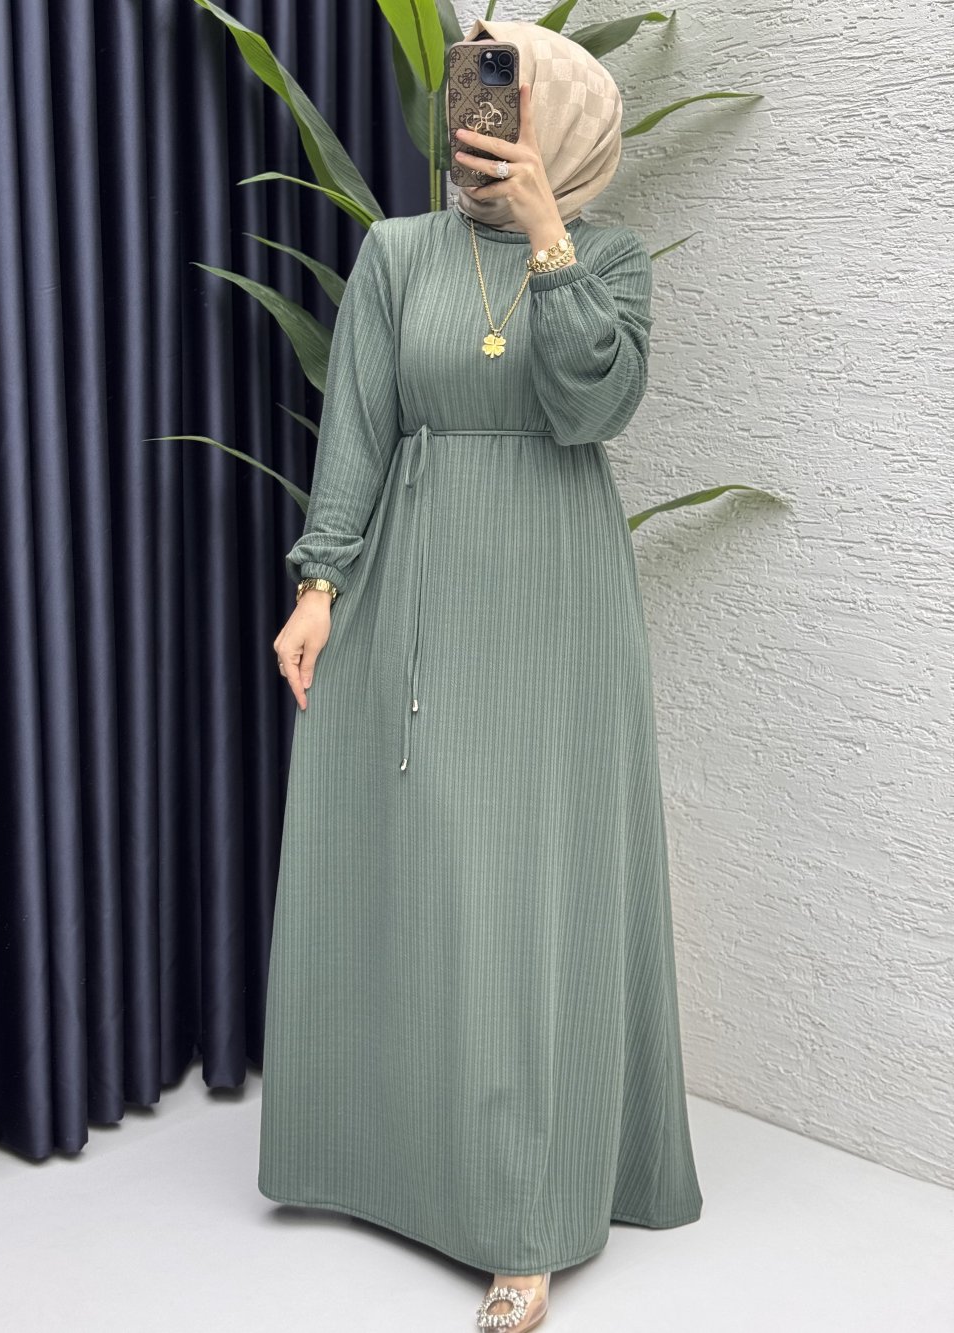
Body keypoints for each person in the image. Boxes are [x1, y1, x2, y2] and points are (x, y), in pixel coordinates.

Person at [263, 17, 703, 1331]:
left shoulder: (609, 260)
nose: (479, 122)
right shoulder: (398, 254)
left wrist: (549, 236)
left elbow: (592, 405)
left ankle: (527, 1212)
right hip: (419, 584)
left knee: (531, 889)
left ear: (563, 125)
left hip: (556, 603)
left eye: (508, 101)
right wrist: (318, 585)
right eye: (468, 97)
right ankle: (390, 1161)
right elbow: (359, 424)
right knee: (422, 866)